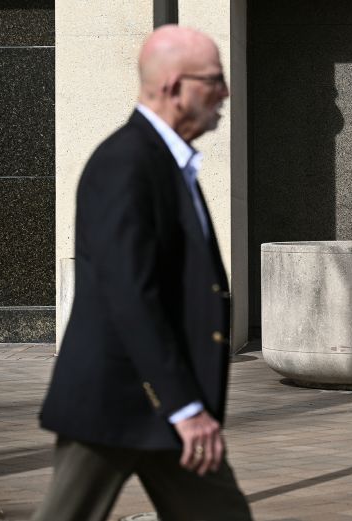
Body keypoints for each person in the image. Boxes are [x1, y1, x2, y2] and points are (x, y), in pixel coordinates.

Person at [32, 25, 252, 521]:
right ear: (174, 87)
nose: (225, 91)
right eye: (213, 79)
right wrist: (185, 407)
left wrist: (184, 404)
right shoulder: (126, 163)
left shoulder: (167, 162)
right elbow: (129, 294)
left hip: (169, 404)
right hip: (114, 402)